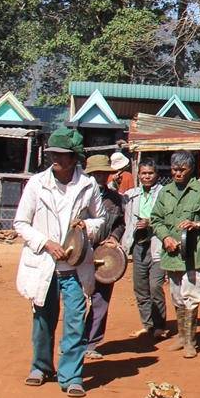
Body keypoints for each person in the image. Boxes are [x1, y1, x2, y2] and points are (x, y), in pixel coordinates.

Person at [13, 128, 105, 397]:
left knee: (76, 321)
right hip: (44, 265)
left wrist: (85, 225)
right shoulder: (36, 184)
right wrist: (45, 243)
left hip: (75, 268)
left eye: (62, 154)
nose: (55, 158)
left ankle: (72, 375)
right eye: (52, 153)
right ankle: (41, 366)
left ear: (75, 158)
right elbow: (20, 222)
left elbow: (99, 220)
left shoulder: (88, 186)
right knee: (42, 320)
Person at [152, 151, 200, 358]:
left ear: (191, 169)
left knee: (191, 295)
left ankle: (190, 341)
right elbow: (156, 220)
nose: (177, 173)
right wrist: (165, 238)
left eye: (182, 169)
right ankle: (181, 337)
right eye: (174, 169)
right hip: (172, 254)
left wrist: (196, 224)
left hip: (194, 254)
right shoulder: (165, 193)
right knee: (176, 295)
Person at [82, 154, 126, 361]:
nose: (100, 177)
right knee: (78, 300)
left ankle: (91, 343)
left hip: (105, 257)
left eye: (103, 173)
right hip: (80, 256)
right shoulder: (78, 197)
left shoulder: (115, 199)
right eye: (96, 173)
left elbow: (121, 223)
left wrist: (113, 238)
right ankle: (72, 342)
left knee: (101, 300)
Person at [122, 159, 168, 340]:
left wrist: (150, 223)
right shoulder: (131, 195)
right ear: (138, 175)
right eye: (143, 173)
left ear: (156, 174)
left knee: (155, 285)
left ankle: (159, 325)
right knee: (140, 288)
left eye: (150, 173)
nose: (146, 176)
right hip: (138, 245)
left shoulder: (164, 194)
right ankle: (147, 325)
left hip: (157, 244)